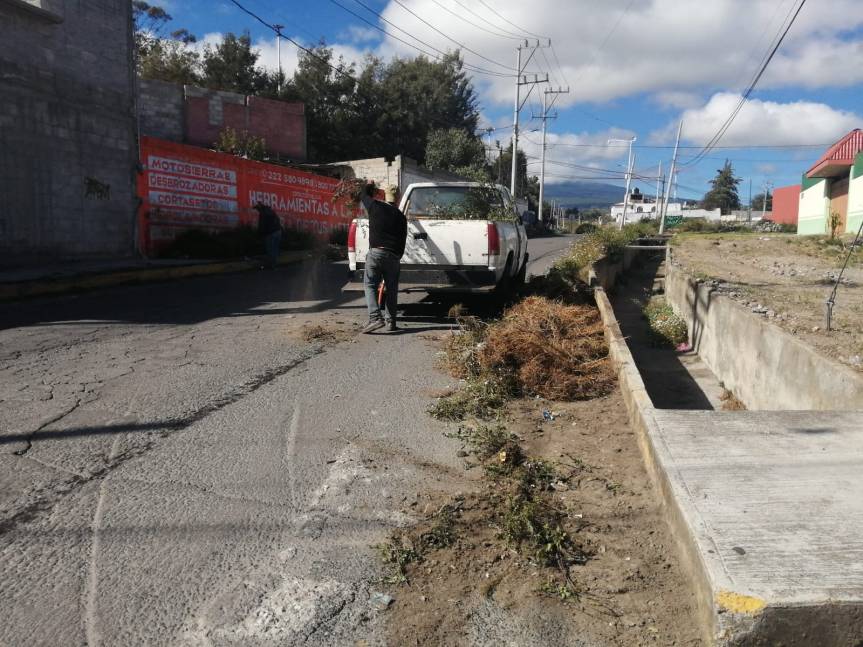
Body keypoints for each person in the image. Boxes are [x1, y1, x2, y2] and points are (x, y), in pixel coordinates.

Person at [360, 183, 407, 333]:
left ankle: (375, 318)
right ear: (398, 198)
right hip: (393, 255)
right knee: (392, 290)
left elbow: (362, 194)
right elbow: (402, 240)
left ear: (384, 195)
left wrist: (368, 185)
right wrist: (397, 257)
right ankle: (391, 322)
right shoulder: (401, 217)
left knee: (370, 285)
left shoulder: (375, 206)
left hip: (376, 253)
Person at [254, 202, 283, 269]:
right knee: (275, 249)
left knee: (270, 249)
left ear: (260, 209)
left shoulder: (263, 214)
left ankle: (271, 264)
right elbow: (277, 220)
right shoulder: (270, 211)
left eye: (257, 209)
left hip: (271, 233)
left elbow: (262, 226)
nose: (257, 211)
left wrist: (258, 235)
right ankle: (274, 264)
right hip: (278, 232)